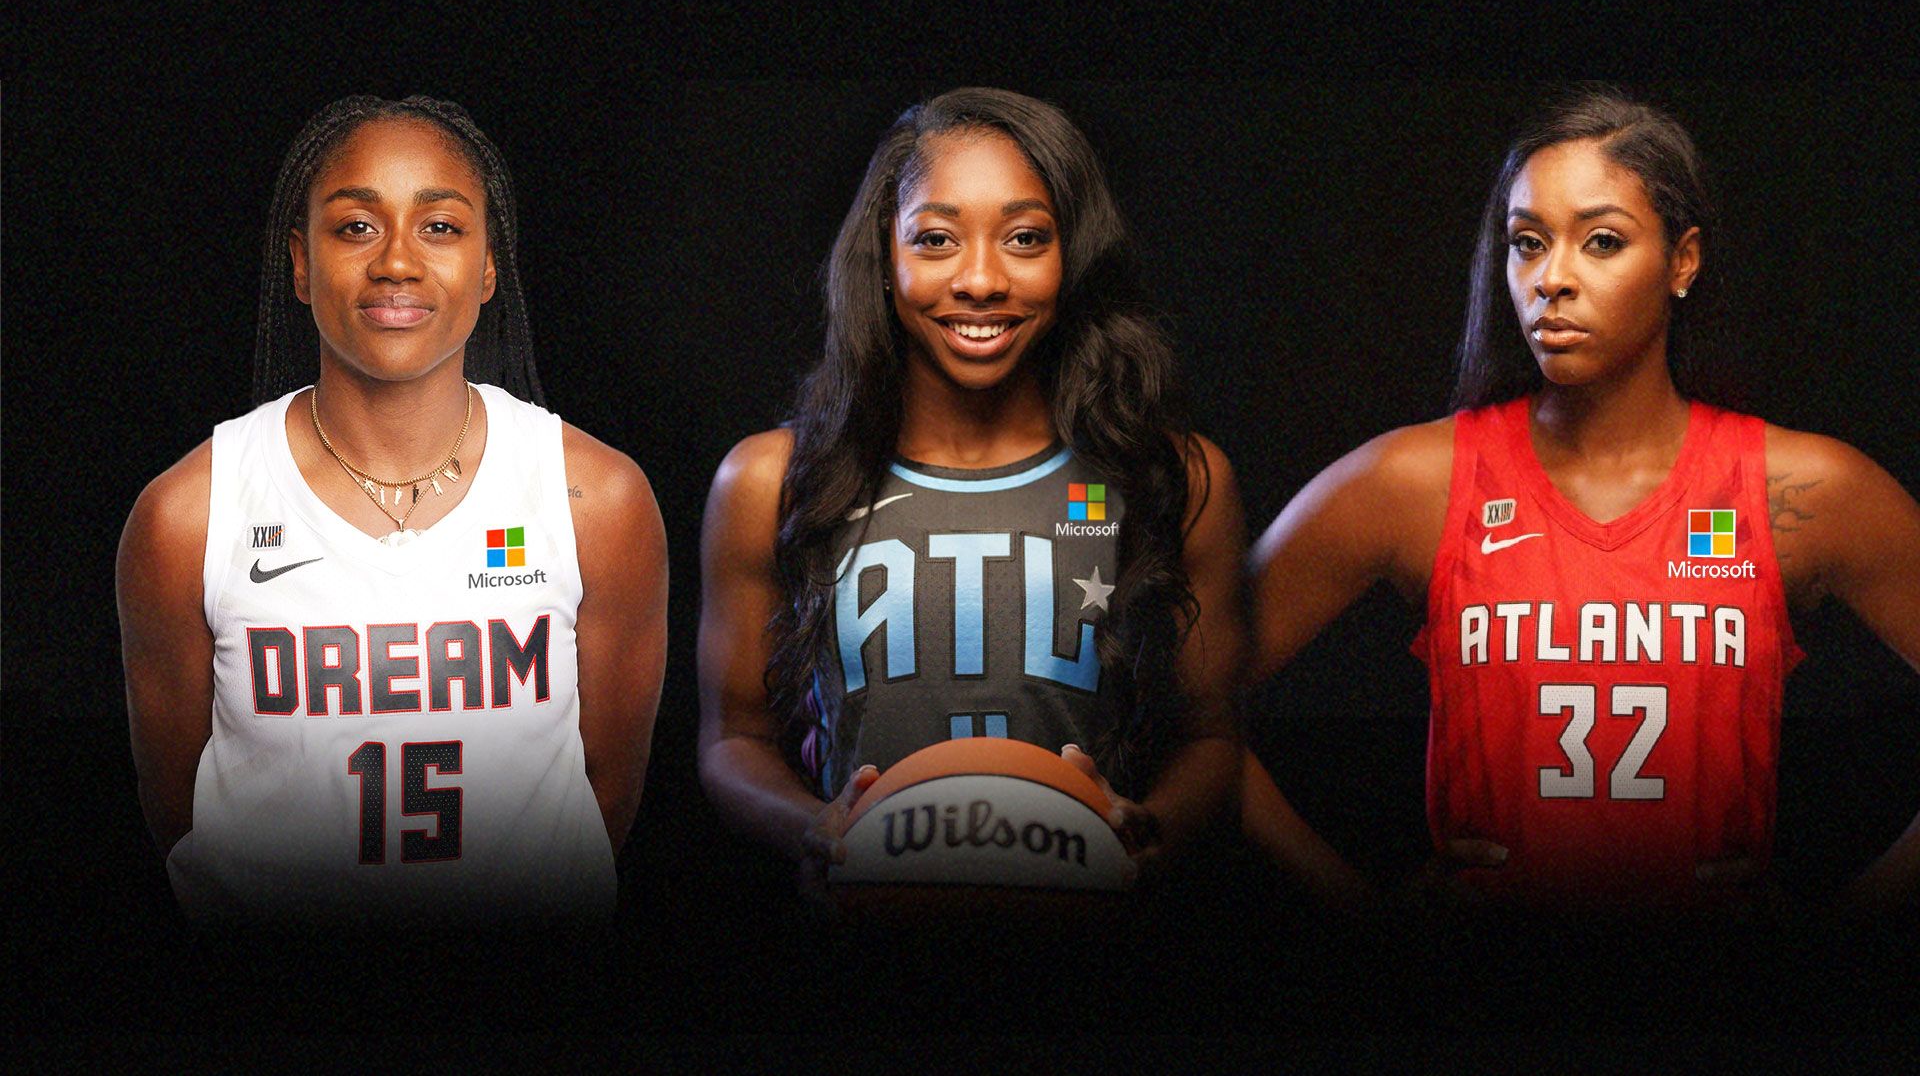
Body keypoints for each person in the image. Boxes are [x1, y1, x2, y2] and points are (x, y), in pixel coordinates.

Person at [1240, 88, 1920, 911]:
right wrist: (1361, 909)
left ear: (1683, 261)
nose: (1551, 279)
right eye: (1527, 243)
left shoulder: (1801, 488)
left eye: (1601, 241)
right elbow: (1171, 701)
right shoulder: (1416, 481)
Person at [116, 96, 667, 924]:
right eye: (355, 228)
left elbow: (606, 797)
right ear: (300, 266)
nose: (398, 263)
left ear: (489, 266)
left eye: (440, 227)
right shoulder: (186, 516)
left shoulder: (597, 499)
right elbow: (178, 817)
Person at [697, 88, 1253, 896]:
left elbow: (1212, 736)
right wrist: (813, 830)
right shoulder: (769, 481)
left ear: (1073, 259)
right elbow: (729, 739)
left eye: (1025, 238)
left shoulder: (1173, 478)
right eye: (936, 239)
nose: (982, 279)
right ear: (885, 261)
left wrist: (1149, 827)